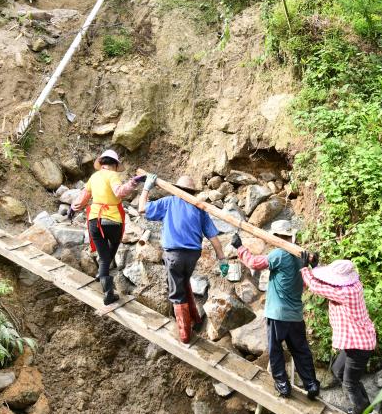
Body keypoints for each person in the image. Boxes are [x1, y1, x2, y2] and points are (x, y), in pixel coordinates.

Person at [232, 222, 320, 400]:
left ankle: (282, 384)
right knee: (301, 350)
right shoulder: (301, 257)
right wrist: (314, 267)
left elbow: (254, 263)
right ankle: (311, 383)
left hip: (277, 314)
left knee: (275, 350)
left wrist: (239, 247)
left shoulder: (278, 254)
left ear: (276, 237)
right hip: (295, 316)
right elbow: (304, 283)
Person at [138, 173, 228, 344]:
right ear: (192, 192)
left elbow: (142, 208)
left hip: (174, 255)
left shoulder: (169, 202)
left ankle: (185, 334)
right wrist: (222, 259)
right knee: (184, 282)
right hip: (193, 256)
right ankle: (195, 318)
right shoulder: (199, 207)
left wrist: (146, 187)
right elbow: (213, 237)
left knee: (176, 292)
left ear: (176, 189)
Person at [300, 257, 377, 414]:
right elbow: (329, 284)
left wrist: (305, 269)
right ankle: (363, 407)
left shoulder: (346, 292)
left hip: (360, 346)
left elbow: (317, 287)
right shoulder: (351, 285)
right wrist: (316, 267)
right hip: (355, 343)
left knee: (349, 383)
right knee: (339, 371)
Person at [69, 150, 143, 306]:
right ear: (115, 165)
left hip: (94, 221)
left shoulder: (94, 177)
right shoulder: (113, 175)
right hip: (112, 220)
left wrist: (72, 208)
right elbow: (119, 192)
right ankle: (108, 292)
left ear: (101, 163)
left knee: (103, 255)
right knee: (110, 250)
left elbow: (83, 198)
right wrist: (133, 182)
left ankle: (101, 274)